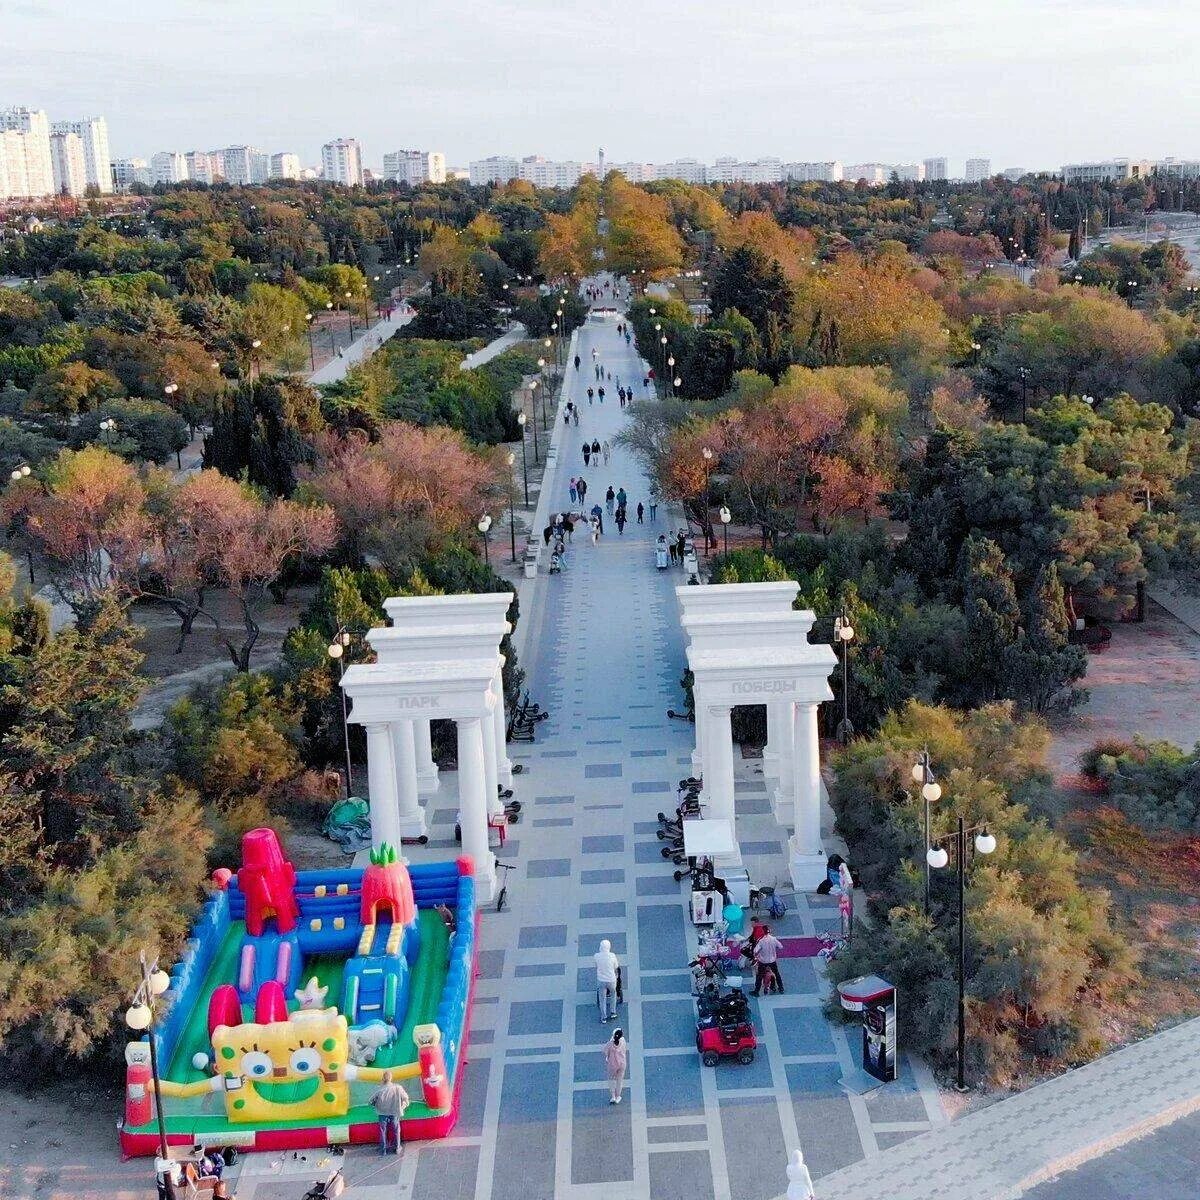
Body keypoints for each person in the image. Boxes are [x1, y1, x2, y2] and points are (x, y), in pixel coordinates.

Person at [370, 1070, 410, 1154]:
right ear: (391, 1078)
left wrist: (375, 1106)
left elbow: (370, 1101)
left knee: (382, 1130)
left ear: (383, 1078)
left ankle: (383, 1149)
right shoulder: (398, 1088)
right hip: (395, 1112)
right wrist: (402, 1107)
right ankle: (397, 1148)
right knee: (396, 1130)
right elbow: (406, 1098)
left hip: (382, 1112)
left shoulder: (379, 1089)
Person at [750, 924, 784, 996]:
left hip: (763, 961)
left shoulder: (761, 941)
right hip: (772, 961)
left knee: (759, 976)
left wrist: (758, 954)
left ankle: (756, 992)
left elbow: (755, 951)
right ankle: (781, 988)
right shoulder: (773, 939)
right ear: (769, 931)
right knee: (777, 974)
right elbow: (780, 946)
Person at [595, 938, 620, 1022]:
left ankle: (603, 1017)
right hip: (611, 980)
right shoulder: (612, 955)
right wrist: (616, 975)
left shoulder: (596, 956)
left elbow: (596, 966)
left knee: (602, 998)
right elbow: (616, 967)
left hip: (601, 980)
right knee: (613, 994)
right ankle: (613, 1012)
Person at [604, 1028, 628, 1104]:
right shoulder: (623, 1041)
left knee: (611, 1080)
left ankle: (613, 1096)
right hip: (622, 1063)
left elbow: (605, 1051)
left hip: (612, 1064)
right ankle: (618, 1097)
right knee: (619, 1080)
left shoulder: (610, 1044)